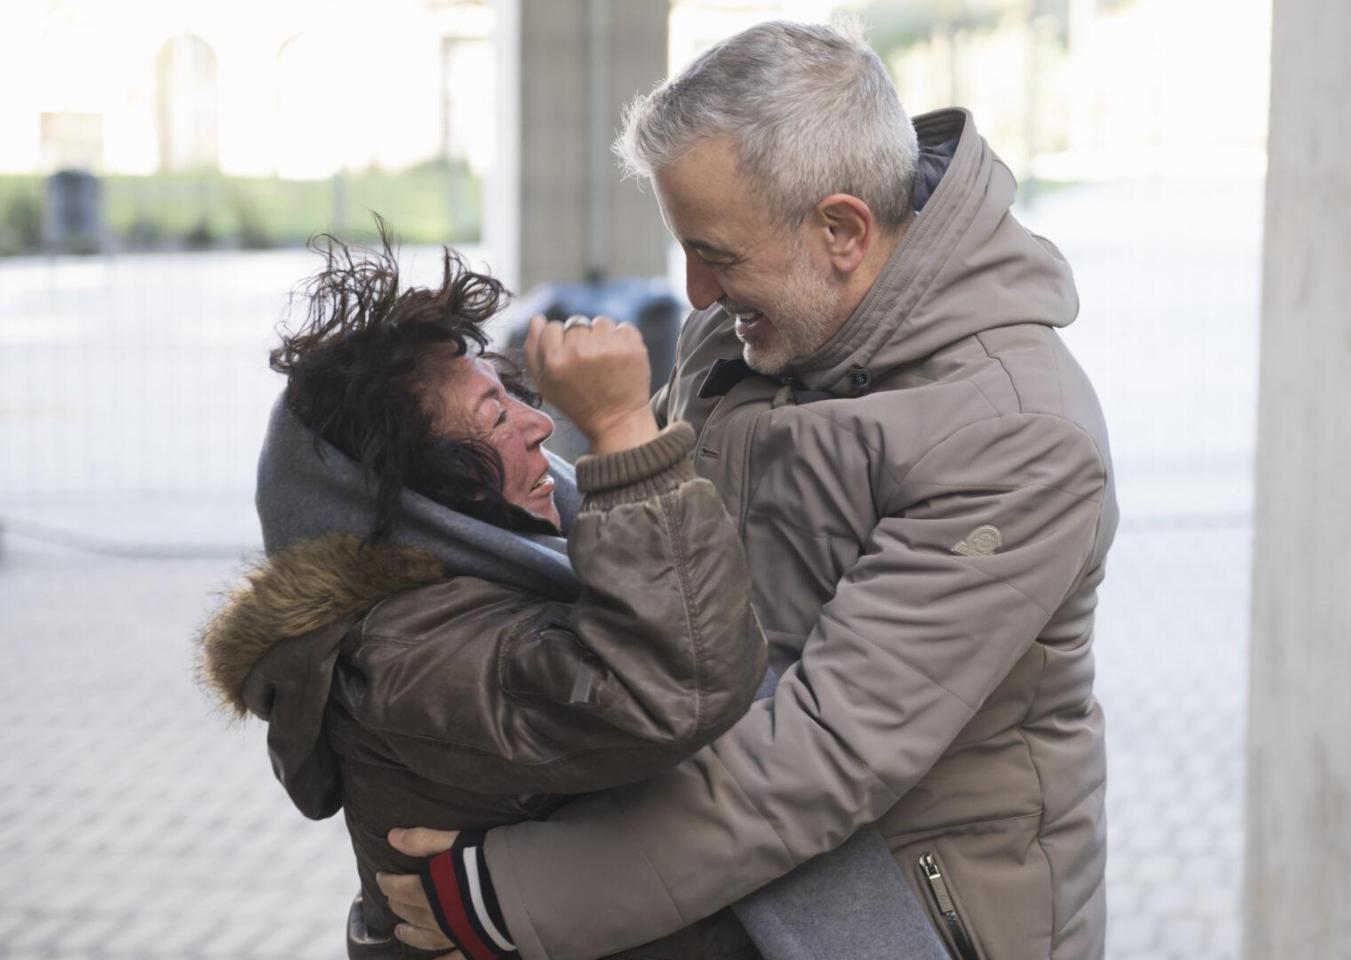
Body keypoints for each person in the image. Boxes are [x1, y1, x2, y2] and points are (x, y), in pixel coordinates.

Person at [380, 20, 1118, 960]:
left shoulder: (1017, 434)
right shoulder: (748, 335)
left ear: (841, 230)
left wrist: (509, 896)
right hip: (733, 874)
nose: (694, 293)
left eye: (718, 255)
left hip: (908, 911)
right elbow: (659, 597)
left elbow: (826, 752)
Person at [198, 233, 775, 959]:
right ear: (416, 495)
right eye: (497, 419)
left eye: (512, 399)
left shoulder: (480, 583)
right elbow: (677, 683)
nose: (540, 426)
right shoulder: (408, 656)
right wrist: (623, 434)